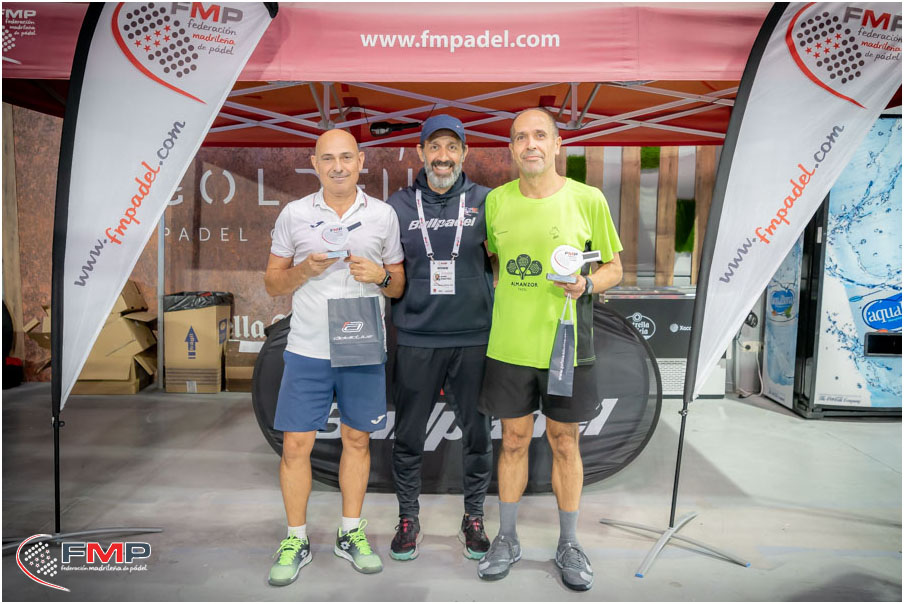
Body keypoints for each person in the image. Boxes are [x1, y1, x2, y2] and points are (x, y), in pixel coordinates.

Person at [477, 109, 623, 591]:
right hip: (509, 347)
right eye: (521, 137)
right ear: (512, 148)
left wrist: (587, 284)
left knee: (564, 442)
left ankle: (569, 543)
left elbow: (614, 269)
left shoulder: (588, 199)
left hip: (567, 347)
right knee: (513, 441)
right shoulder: (496, 202)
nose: (531, 144)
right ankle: (507, 538)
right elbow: (494, 261)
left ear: (558, 144)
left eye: (540, 135)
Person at [264, 129, 405, 585]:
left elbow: (398, 285)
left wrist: (380, 276)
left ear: (361, 161)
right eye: (328, 158)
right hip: (308, 347)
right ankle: (296, 538)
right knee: (295, 445)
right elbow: (272, 283)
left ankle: (350, 532)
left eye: (346, 157)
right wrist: (304, 270)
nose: (338, 166)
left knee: (357, 441)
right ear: (315, 163)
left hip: (361, 345)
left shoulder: (382, 215)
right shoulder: (295, 214)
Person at [385, 115, 494, 561]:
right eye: (434, 147)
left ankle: (474, 517)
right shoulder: (397, 205)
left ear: (464, 153)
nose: (443, 157)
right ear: (421, 152)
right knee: (408, 436)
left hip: (474, 338)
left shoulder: (487, 201)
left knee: (478, 435)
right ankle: (407, 518)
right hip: (416, 337)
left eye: (452, 147)